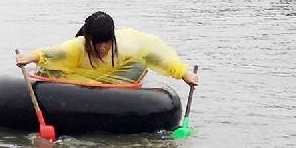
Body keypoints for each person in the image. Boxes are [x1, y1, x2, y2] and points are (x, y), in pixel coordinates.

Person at [15, 11, 200, 90]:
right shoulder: (79, 46)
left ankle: (105, 89)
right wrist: (28, 58)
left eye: (107, 43)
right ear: (90, 40)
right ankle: (92, 88)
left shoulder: (126, 43)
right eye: (98, 43)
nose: (103, 48)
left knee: (139, 63)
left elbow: (156, 56)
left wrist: (184, 74)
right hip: (78, 79)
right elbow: (52, 54)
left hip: (114, 80)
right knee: (49, 69)